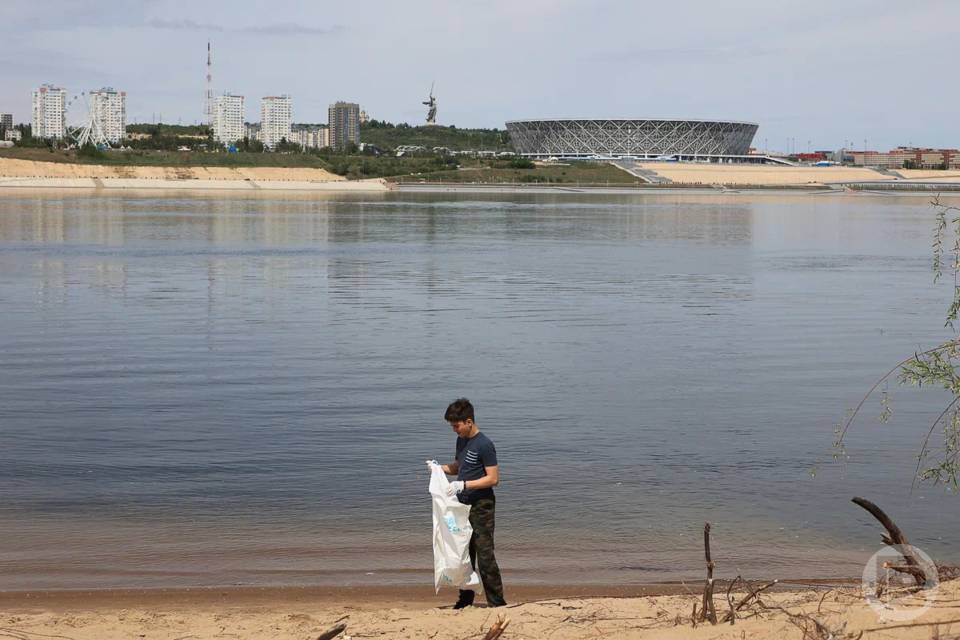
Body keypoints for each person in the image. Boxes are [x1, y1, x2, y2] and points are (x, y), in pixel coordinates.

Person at [438, 397, 505, 608]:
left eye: (456, 425)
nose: (454, 430)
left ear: (468, 421)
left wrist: (464, 485)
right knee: (464, 554)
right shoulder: (461, 440)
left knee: (484, 556)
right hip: (462, 506)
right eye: (452, 426)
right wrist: (439, 469)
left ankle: (497, 602)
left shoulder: (484, 444)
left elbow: (493, 479)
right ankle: (465, 600)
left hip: (482, 505)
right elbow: (459, 467)